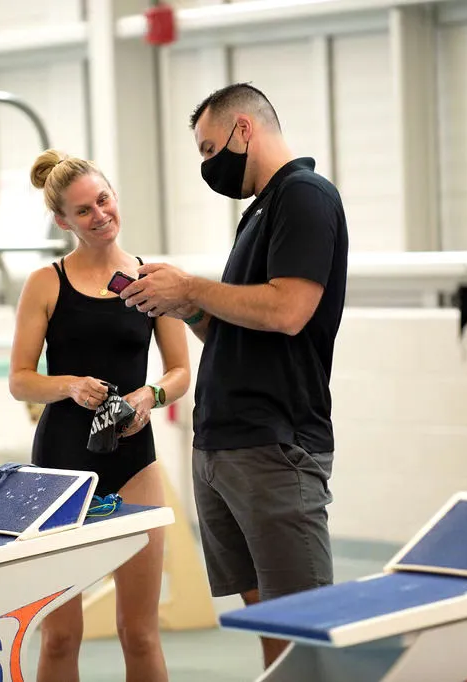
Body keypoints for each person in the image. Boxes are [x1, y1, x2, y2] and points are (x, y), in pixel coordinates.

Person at [119, 82, 349, 670]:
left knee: (302, 624)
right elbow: (239, 332)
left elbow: (289, 311)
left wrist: (194, 287)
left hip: (274, 447)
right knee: (266, 620)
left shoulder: (305, 197)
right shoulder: (260, 213)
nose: (207, 163)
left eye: (207, 147)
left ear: (243, 129)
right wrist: (185, 306)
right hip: (223, 444)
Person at [8, 149, 190, 682]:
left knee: (139, 631)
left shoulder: (153, 279)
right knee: (60, 636)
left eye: (103, 199)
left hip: (134, 459)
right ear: (63, 220)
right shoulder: (46, 283)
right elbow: (20, 379)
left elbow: (180, 371)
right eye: (83, 210)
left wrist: (148, 397)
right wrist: (67, 385)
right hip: (61, 465)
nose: (100, 215)